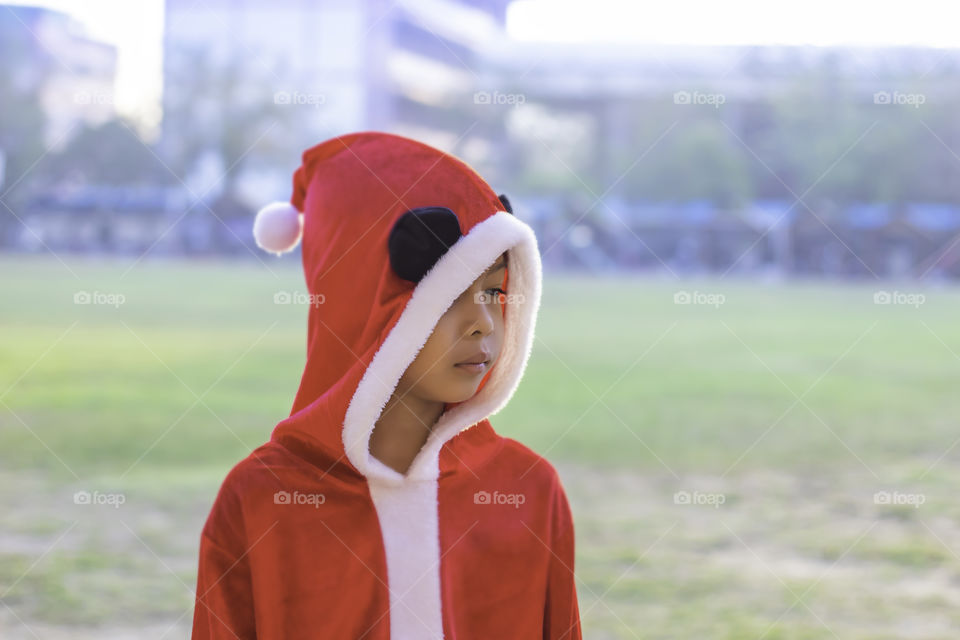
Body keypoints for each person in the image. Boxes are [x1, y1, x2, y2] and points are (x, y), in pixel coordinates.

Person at [191, 131, 583, 639]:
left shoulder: (527, 492)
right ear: (364, 305)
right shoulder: (263, 501)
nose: (484, 322)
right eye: (448, 294)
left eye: (493, 290)